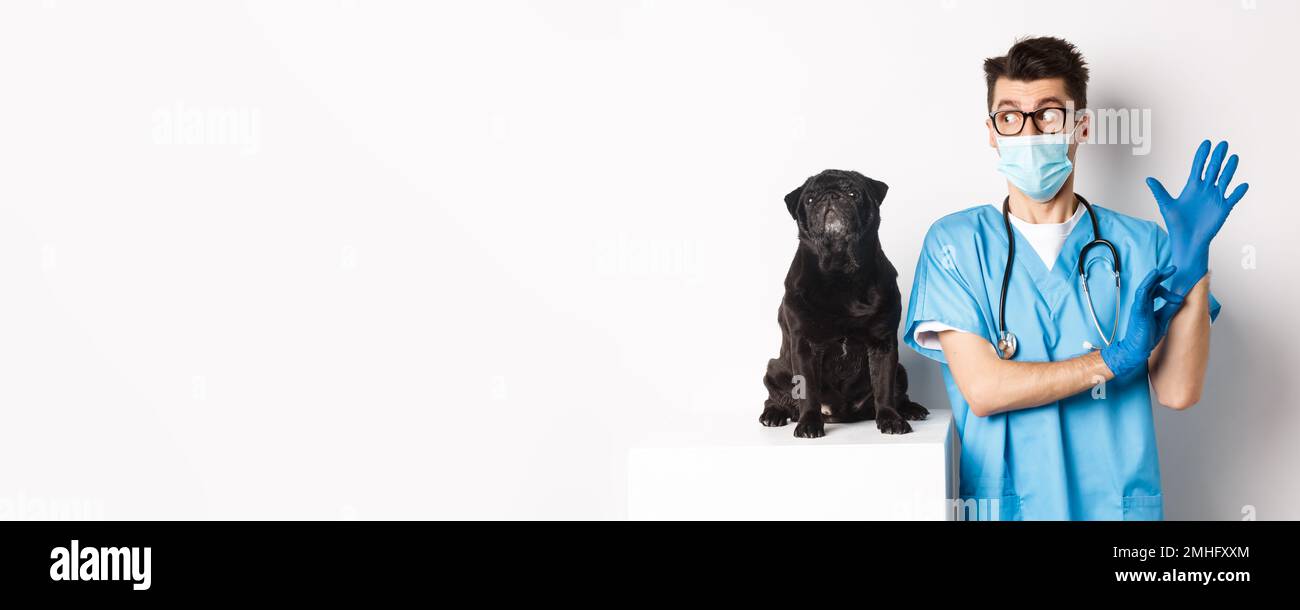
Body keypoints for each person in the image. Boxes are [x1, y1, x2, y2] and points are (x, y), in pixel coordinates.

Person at [903, 37, 1248, 520]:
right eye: (1010, 117)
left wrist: (1195, 271)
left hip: (1117, 507)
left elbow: (1177, 392)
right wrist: (1112, 359)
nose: (1027, 131)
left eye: (1048, 114)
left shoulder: (1143, 245)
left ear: (1080, 126)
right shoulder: (956, 245)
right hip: (1008, 509)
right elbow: (984, 392)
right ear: (991, 131)